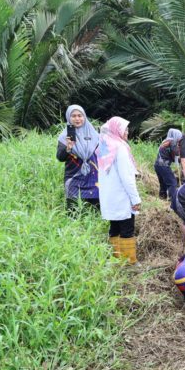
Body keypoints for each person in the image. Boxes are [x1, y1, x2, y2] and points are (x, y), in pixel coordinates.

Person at [97, 117, 141, 263]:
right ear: (116, 130)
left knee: (114, 227)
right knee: (127, 229)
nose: (127, 132)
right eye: (124, 129)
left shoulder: (104, 146)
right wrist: (135, 199)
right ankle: (129, 262)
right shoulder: (120, 147)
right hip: (122, 197)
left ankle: (117, 260)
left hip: (109, 197)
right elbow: (127, 178)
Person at [56, 105, 100, 211]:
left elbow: (102, 155)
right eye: (73, 116)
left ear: (84, 117)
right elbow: (60, 158)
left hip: (93, 179)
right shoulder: (64, 137)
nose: (77, 119)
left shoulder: (94, 135)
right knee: (73, 212)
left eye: (80, 116)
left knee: (96, 211)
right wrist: (68, 147)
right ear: (68, 118)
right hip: (74, 178)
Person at [154, 128, 182, 200]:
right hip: (164, 165)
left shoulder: (166, 142)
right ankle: (172, 200)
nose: (180, 139)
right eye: (179, 137)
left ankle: (162, 198)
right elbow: (175, 153)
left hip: (157, 165)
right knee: (172, 182)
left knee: (163, 183)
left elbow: (171, 156)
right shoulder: (172, 142)